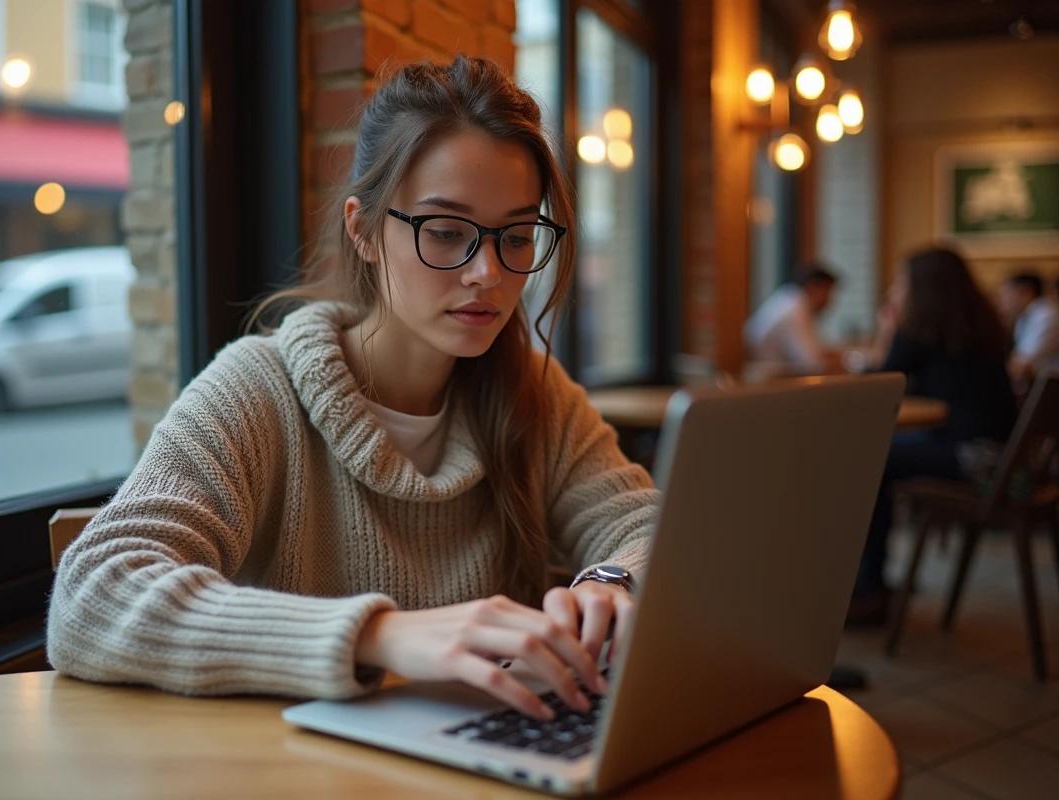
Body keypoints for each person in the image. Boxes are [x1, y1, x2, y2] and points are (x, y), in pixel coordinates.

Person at [46, 57, 659, 721]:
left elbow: (652, 527)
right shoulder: (258, 389)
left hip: (474, 762)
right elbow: (92, 595)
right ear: (363, 230)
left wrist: (612, 578)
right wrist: (379, 635)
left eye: (515, 236)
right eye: (447, 231)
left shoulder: (535, 397)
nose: (488, 271)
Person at [848, 247, 1017, 625]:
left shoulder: (920, 330)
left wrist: (888, 326)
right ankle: (872, 583)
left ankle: (869, 590)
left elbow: (877, 385)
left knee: (867, 461)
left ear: (922, 288)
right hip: (1005, 461)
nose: (896, 289)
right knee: (878, 458)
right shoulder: (979, 327)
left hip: (976, 461)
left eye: (903, 281)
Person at [744, 264, 841, 376]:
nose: (830, 300)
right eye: (828, 292)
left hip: (773, 378)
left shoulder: (789, 298)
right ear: (813, 287)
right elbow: (813, 363)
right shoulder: (794, 310)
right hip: (768, 382)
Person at [997, 271, 1059, 384]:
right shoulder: (1027, 315)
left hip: (1050, 389)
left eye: (1006, 293)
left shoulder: (1045, 314)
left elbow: (1022, 365)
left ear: (1025, 292)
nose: (1002, 300)